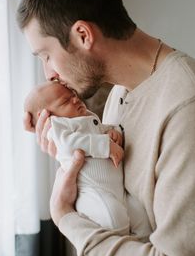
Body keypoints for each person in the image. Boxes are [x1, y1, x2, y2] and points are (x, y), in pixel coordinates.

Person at [17, 0, 195, 256]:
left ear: (83, 35)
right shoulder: (119, 92)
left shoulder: (191, 106)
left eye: (46, 55)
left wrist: (66, 218)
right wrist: (70, 158)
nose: (48, 74)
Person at [24, 80, 135, 232]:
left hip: (118, 189)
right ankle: (121, 246)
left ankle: (141, 242)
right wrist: (105, 145)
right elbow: (69, 144)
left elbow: (100, 130)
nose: (76, 99)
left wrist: (111, 132)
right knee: (115, 218)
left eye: (73, 95)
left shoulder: (85, 117)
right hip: (95, 193)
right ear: (47, 115)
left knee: (139, 214)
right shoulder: (58, 126)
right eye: (65, 101)